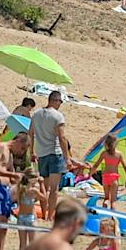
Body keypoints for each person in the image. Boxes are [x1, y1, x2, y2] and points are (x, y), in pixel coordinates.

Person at [28, 89, 75, 220]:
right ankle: (49, 216)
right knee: (54, 189)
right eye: (60, 101)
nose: (60, 104)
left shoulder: (36, 114)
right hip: (55, 153)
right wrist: (67, 158)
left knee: (44, 186)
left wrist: (32, 151)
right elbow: (62, 137)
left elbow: (30, 134)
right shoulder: (57, 116)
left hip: (41, 153)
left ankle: (44, 213)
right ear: (55, 100)